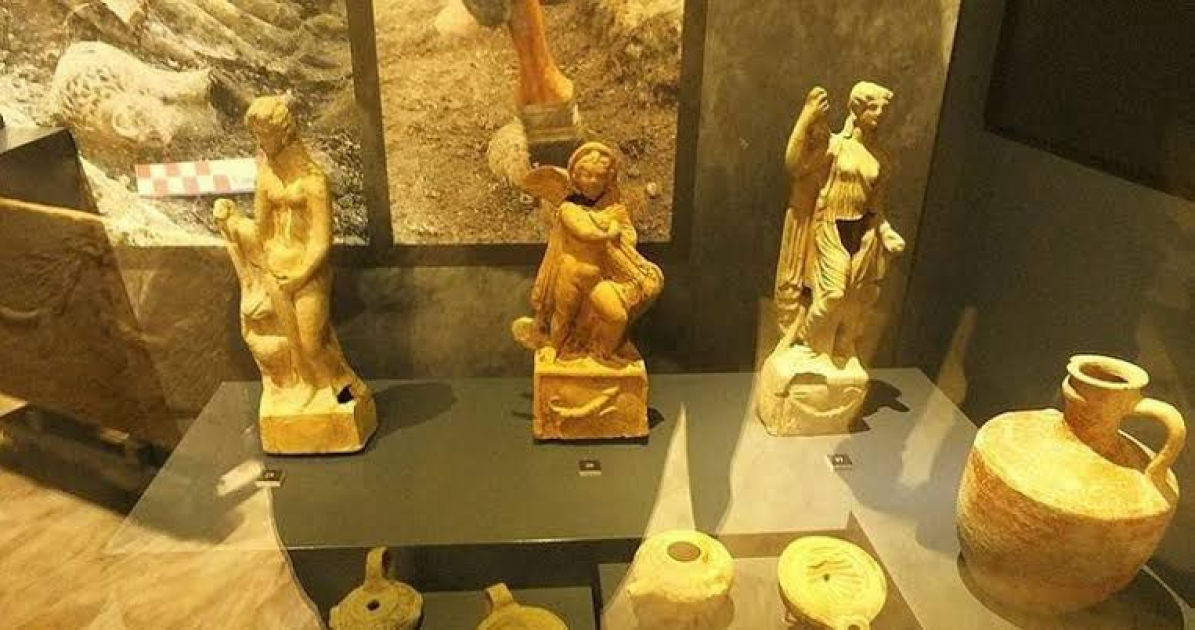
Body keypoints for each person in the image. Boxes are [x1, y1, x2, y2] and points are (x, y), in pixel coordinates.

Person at [775, 82, 906, 360]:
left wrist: (886, 232)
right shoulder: (835, 146)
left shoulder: (881, 160)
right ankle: (806, 343)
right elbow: (795, 165)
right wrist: (807, 116)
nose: (880, 113)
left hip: (861, 234)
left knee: (853, 302)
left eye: (883, 109)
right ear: (857, 109)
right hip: (830, 227)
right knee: (832, 294)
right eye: (873, 107)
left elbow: (875, 208)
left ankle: (836, 349)